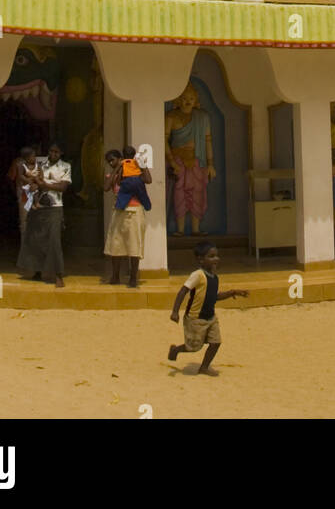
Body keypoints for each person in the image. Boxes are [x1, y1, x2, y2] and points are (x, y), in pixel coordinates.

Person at [168, 242, 248, 376]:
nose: (216, 259)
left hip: (210, 317)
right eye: (211, 256)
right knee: (193, 347)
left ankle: (204, 367)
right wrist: (175, 312)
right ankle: (175, 350)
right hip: (195, 319)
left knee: (216, 342)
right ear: (201, 259)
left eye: (216, 256)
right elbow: (183, 291)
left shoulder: (215, 278)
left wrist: (232, 292)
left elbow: (214, 297)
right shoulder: (197, 275)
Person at [16, 141, 72, 288]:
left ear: (61, 154)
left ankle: (59, 275)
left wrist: (44, 185)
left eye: (56, 152)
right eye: (51, 151)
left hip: (55, 207)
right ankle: (37, 271)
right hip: (38, 206)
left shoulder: (65, 167)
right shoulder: (40, 163)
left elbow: (63, 187)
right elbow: (24, 170)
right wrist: (33, 184)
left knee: (54, 241)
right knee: (35, 239)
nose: (53, 154)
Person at [165, 83, 215, 236]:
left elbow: (208, 141)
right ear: (178, 100)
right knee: (179, 194)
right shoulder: (171, 117)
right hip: (178, 160)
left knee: (198, 194)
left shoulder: (202, 117)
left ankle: (196, 229)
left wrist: (210, 164)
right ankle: (179, 230)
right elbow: (164, 140)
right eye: (184, 98)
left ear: (196, 100)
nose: (188, 101)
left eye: (191, 98)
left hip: (197, 160)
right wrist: (172, 162)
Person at [103, 145, 151, 288]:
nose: (111, 163)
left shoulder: (136, 172)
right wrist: (117, 170)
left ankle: (133, 278)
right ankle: (115, 276)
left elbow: (148, 179)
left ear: (121, 158)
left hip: (135, 211)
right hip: (119, 211)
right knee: (115, 245)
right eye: (109, 162)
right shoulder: (113, 174)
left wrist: (141, 164)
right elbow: (106, 187)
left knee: (134, 245)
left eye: (113, 160)